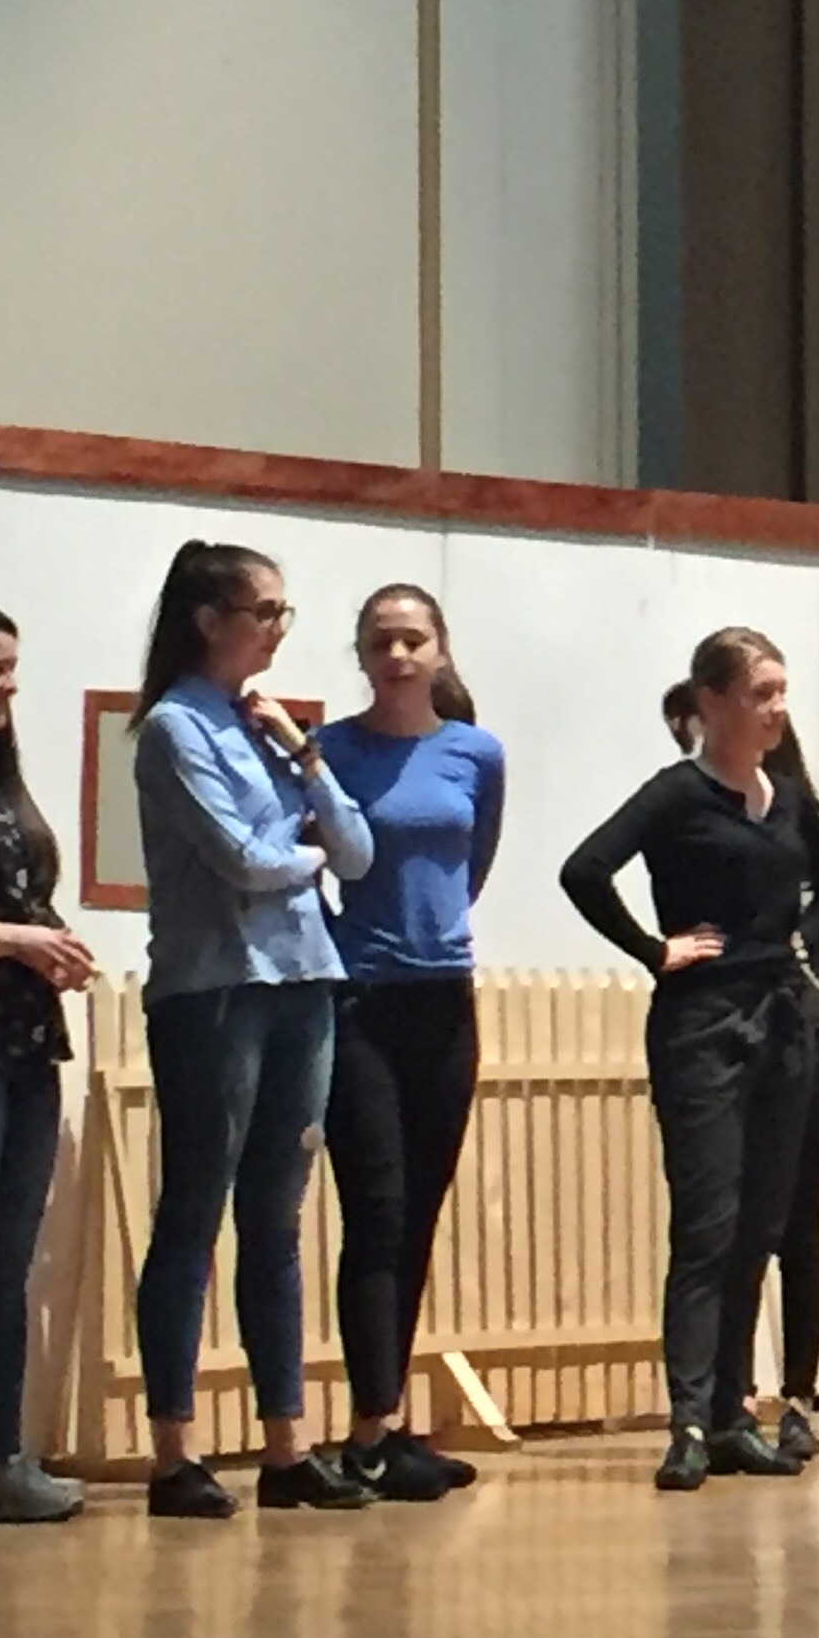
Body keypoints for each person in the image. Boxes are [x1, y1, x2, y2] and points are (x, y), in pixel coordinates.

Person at [560, 627, 819, 1491]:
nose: (776, 708)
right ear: (713, 701)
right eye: (761, 693)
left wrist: (800, 940)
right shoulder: (678, 794)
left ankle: (733, 1415)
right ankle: (688, 1419)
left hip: (783, 1022)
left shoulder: (786, 797)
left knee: (761, 1226)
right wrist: (654, 949)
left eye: (782, 691)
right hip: (703, 1022)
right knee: (707, 1227)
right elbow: (585, 870)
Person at [130, 540, 379, 1517]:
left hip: (305, 980)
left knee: (277, 1220)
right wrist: (302, 852)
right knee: (195, 1211)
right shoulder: (174, 727)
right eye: (263, 611)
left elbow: (356, 853)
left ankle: (286, 1448)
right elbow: (241, 859)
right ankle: (173, 1454)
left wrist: (306, 756)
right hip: (216, 990)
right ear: (209, 621)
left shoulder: (262, 725)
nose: (278, 628)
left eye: (284, 612)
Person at [318, 585, 504, 1501]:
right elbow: (306, 862)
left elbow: (474, 862)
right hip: (361, 1001)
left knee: (420, 1211)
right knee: (378, 1210)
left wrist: (434, 936)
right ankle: (367, 1432)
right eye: (380, 642)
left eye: (412, 640)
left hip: (445, 1000)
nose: (397, 656)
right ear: (361, 654)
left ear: (439, 649)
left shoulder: (476, 752)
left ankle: (387, 1428)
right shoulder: (331, 749)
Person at [662, 685, 819, 1466]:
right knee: (719, 1226)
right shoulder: (697, 810)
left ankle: (798, 1401)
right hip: (728, 1023)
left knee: (791, 1224)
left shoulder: (802, 810)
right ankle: (723, 1406)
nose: (696, 747)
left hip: (809, 1030)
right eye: (684, 734)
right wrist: (660, 947)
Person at [0, 604, 88, 1523]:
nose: (7, 686)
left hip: (21, 1042)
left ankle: (2, 1460)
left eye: (12, 668)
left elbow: (24, 892)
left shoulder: (3, 778)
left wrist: (53, 940)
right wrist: (15, 939)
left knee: (7, 1260)